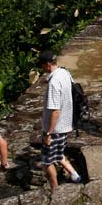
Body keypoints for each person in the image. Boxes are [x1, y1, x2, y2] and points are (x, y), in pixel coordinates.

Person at [36, 51, 83, 188]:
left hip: (55, 128)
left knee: (47, 162)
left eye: (42, 65)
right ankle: (75, 175)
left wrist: (48, 133)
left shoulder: (54, 83)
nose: (41, 68)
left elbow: (55, 111)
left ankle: (54, 189)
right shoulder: (64, 72)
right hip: (66, 123)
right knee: (58, 153)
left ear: (47, 64)